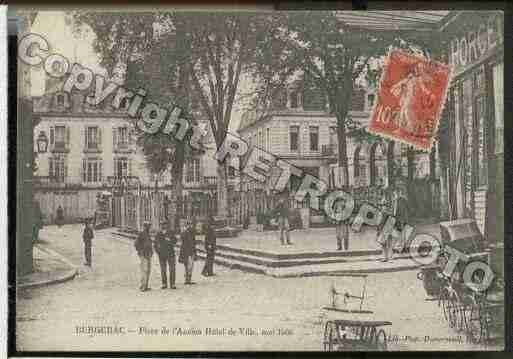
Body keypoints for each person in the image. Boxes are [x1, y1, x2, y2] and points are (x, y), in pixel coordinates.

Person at [154, 220, 178, 289]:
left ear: (167, 225)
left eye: (165, 224)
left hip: (170, 254)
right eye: (162, 225)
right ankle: (164, 283)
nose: (163, 226)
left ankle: (172, 284)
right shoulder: (158, 234)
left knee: (172, 269)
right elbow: (155, 244)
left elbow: (175, 241)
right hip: (162, 255)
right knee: (163, 270)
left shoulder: (171, 232)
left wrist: (170, 240)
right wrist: (158, 252)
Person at [135, 221, 153, 291]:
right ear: (144, 226)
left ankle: (146, 285)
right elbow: (136, 243)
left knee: (148, 270)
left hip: (148, 254)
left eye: (149, 226)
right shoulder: (141, 233)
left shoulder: (147, 234)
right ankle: (143, 286)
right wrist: (140, 251)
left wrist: (151, 251)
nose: (149, 227)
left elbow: (149, 244)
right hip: (143, 254)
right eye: (147, 226)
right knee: (144, 270)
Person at [179, 218, 197, 285]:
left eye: (191, 224)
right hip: (186, 252)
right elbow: (182, 239)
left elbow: (194, 242)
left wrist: (194, 251)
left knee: (191, 266)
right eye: (189, 224)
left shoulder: (192, 232)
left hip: (191, 251)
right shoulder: (184, 232)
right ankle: (187, 280)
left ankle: (189, 279)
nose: (190, 226)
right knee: (187, 266)